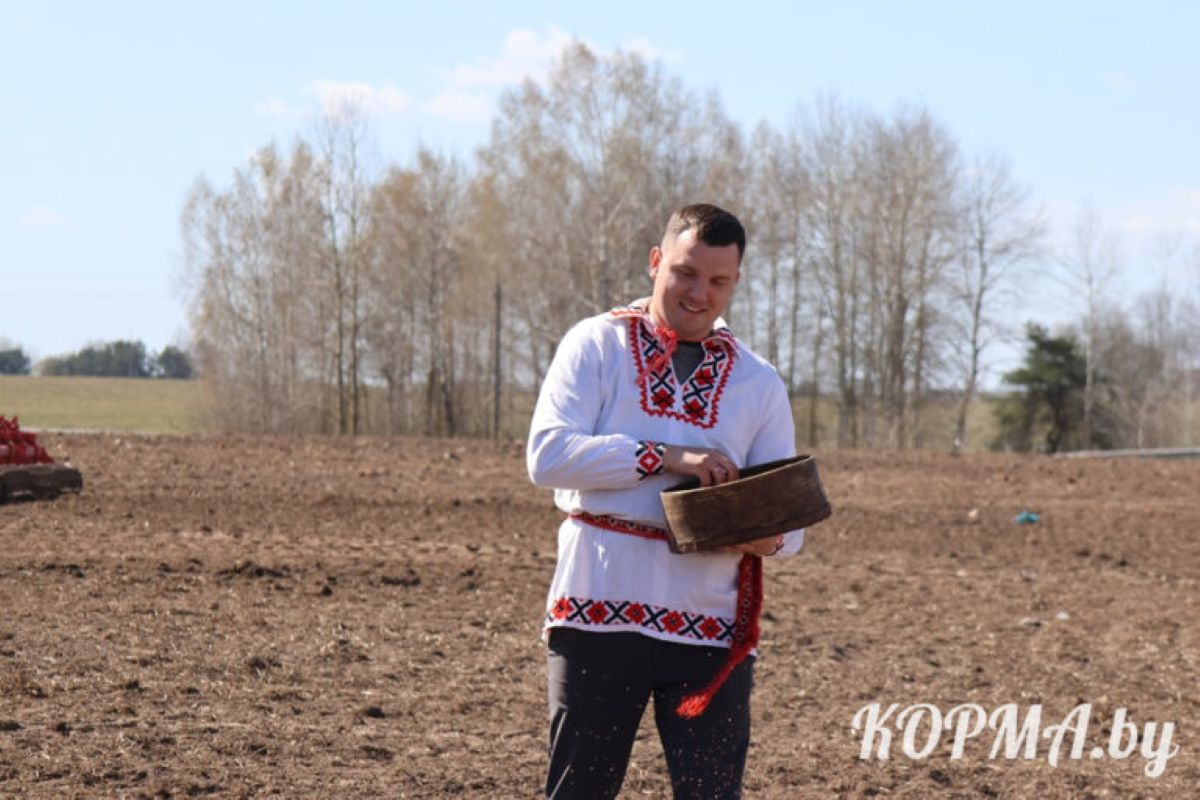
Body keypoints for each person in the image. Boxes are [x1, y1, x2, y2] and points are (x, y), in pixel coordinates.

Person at [527, 203, 806, 799]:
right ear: (656, 262)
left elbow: (791, 528)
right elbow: (547, 457)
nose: (699, 293)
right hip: (597, 608)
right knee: (580, 792)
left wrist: (758, 533)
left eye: (718, 281)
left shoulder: (758, 381)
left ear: (735, 282)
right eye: (685, 272)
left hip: (709, 627)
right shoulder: (596, 344)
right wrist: (666, 456)